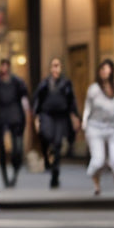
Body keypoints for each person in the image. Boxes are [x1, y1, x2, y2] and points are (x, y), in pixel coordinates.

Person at [82, 59, 114, 194]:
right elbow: (87, 108)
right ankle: (97, 187)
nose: (104, 72)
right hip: (96, 127)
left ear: (112, 70)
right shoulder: (93, 89)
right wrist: (84, 124)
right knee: (98, 161)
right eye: (102, 69)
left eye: (107, 69)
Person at [32, 58, 80, 188]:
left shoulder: (66, 83)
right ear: (50, 68)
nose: (55, 69)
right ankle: (48, 160)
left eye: (58, 66)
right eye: (53, 66)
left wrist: (75, 116)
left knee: (58, 143)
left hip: (61, 116)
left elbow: (72, 100)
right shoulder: (45, 84)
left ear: (61, 68)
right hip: (47, 115)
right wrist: (36, 117)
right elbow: (37, 101)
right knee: (47, 136)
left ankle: (55, 172)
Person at [0, 58, 29, 187]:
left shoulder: (17, 82)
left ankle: (15, 171)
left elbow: (24, 96)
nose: (4, 69)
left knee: (17, 149)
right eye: (2, 66)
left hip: (15, 116)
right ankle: (6, 178)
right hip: (1, 116)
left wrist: (26, 111)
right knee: (2, 149)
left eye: (6, 66)